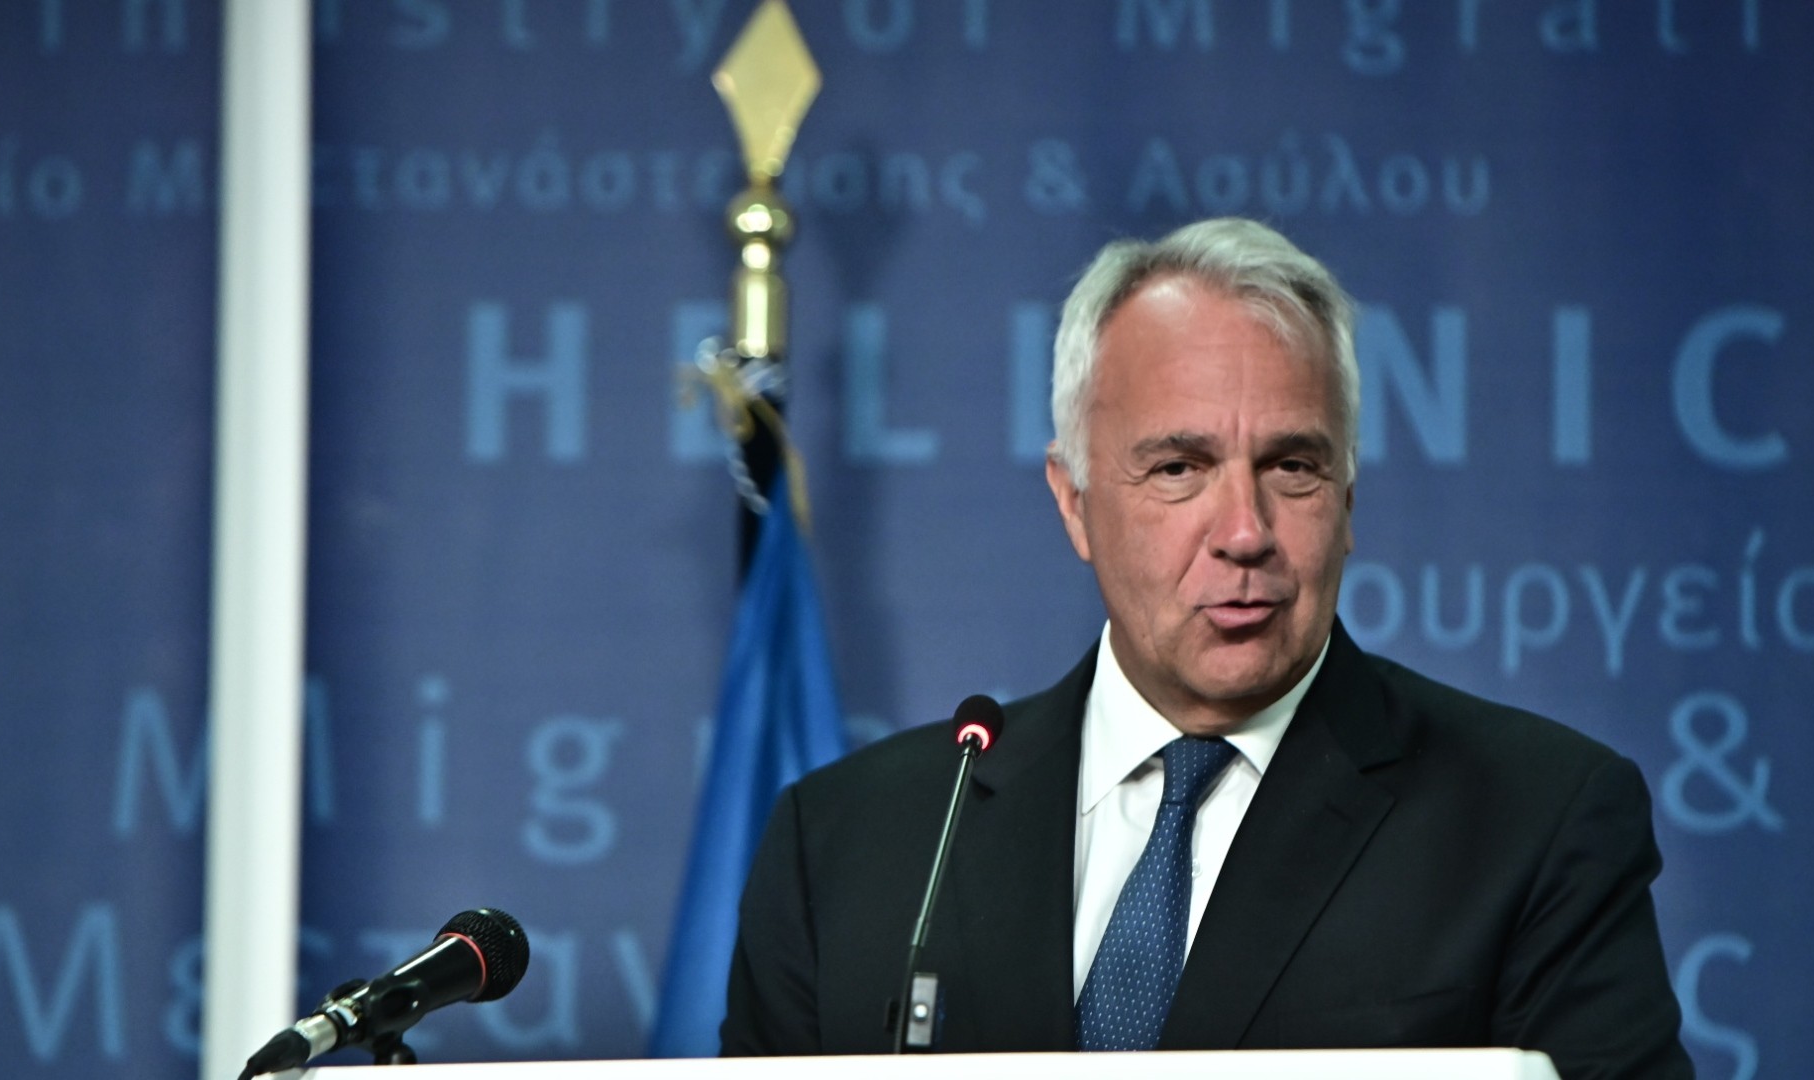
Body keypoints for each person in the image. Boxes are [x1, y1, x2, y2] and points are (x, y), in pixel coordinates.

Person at [720, 218, 1693, 1077]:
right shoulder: (850, 847)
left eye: (1293, 466)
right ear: (1074, 501)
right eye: (1179, 468)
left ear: (1347, 499)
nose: (1244, 531)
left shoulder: (1535, 824)